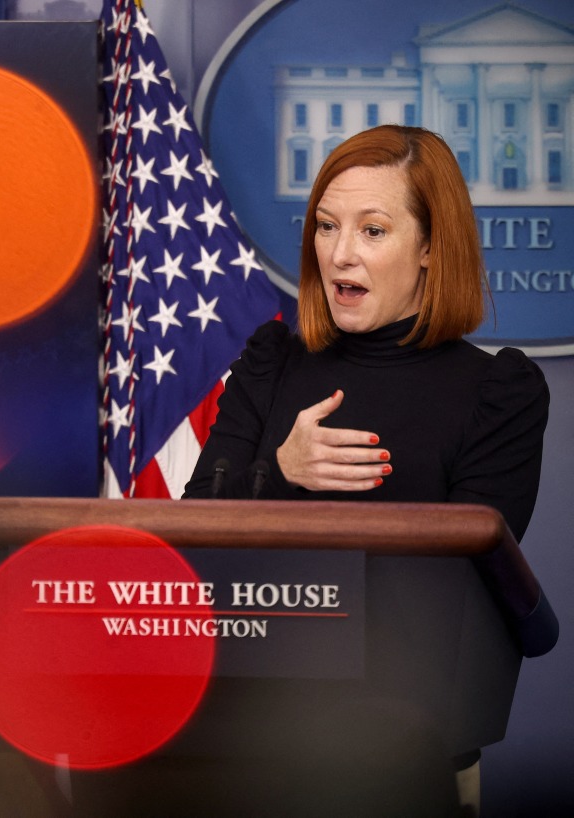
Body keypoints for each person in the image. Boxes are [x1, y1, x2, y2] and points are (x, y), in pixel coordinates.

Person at [181, 124, 549, 815]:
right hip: (236, 732)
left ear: (433, 247)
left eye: (373, 231)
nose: (339, 254)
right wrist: (282, 468)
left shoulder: (500, 392)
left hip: (406, 745)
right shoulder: (272, 363)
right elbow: (192, 532)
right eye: (325, 226)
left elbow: (466, 582)